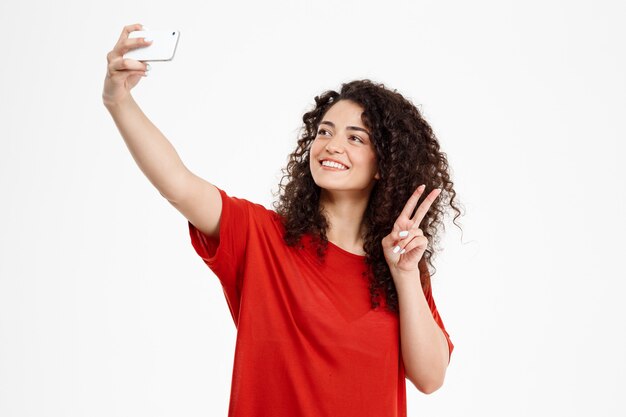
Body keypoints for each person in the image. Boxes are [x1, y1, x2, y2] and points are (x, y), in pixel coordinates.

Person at [103, 23, 464, 417]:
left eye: (356, 138)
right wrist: (119, 102)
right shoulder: (262, 236)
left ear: (384, 165)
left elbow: (430, 377)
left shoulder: (399, 265)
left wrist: (406, 275)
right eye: (325, 131)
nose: (332, 145)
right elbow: (178, 184)